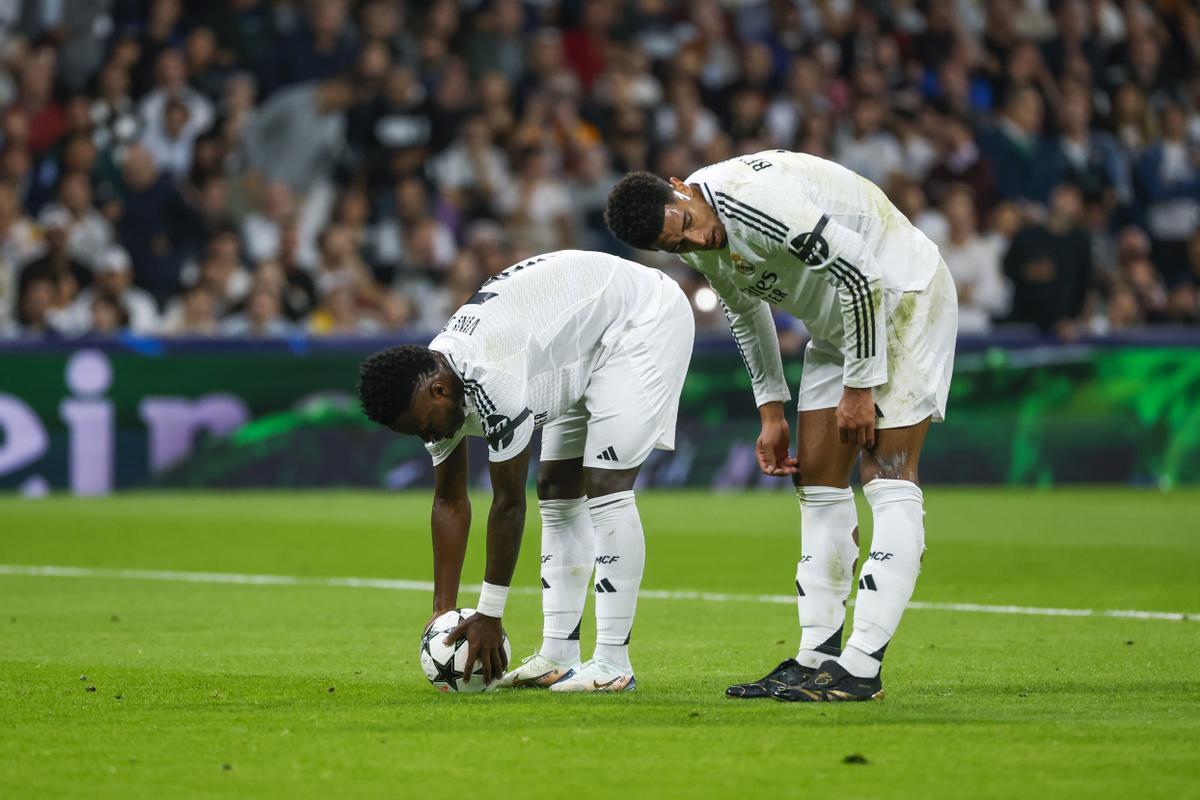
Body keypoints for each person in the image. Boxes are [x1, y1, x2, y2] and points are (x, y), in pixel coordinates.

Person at [605, 150, 958, 702]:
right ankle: (816, 656)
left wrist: (860, 388)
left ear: (680, 187)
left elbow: (860, 273)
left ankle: (861, 666)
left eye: (687, 224)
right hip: (836, 322)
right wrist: (771, 411)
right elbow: (746, 312)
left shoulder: (754, 203)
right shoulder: (693, 239)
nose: (696, 241)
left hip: (899, 295)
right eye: (677, 245)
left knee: (887, 473)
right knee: (816, 480)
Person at [357, 250, 694, 692]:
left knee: (606, 484)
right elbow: (450, 500)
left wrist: (490, 612)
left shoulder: (491, 376)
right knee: (555, 489)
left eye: (424, 426)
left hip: (641, 316)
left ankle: (614, 662)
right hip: (578, 339)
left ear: (439, 391)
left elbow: (508, 503)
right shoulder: (434, 388)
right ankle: (558, 655)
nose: (428, 436)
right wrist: (443, 610)